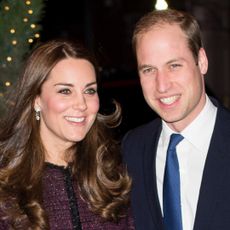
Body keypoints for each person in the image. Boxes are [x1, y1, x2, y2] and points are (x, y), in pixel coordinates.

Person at [0, 40, 134, 229]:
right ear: (36, 99)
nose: (81, 104)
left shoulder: (112, 176)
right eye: (65, 91)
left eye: (89, 90)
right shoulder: (6, 186)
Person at [122, 8, 230, 230]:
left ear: (201, 61)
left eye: (174, 66)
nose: (162, 85)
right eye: (149, 70)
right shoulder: (131, 148)